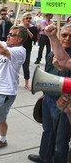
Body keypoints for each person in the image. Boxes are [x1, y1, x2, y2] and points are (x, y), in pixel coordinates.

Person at [28, 23, 71, 163]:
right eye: (64, 35)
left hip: (64, 103)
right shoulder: (52, 53)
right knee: (48, 131)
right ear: (60, 35)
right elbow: (46, 76)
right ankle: (44, 156)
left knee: (61, 139)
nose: (67, 38)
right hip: (49, 99)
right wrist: (45, 93)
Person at [18, 13, 38, 90]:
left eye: (30, 18)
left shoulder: (33, 28)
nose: (29, 20)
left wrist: (27, 30)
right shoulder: (19, 27)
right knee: (14, 65)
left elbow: (35, 39)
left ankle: (26, 83)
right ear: (23, 19)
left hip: (27, 49)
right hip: (18, 48)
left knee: (26, 66)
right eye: (27, 18)